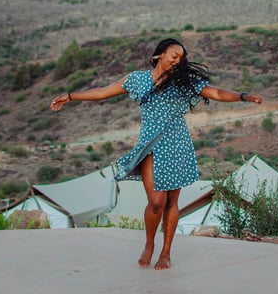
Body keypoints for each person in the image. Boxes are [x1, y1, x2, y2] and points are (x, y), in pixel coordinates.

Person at [50, 37, 262, 270]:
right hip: (151, 145)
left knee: (172, 201)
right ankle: (149, 243)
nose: (177, 61)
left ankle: (166, 252)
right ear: (160, 54)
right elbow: (102, 92)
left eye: (181, 59)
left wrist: (243, 96)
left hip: (178, 144)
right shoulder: (138, 79)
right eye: (174, 56)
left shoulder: (183, 83)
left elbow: (217, 93)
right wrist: (70, 96)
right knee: (155, 202)